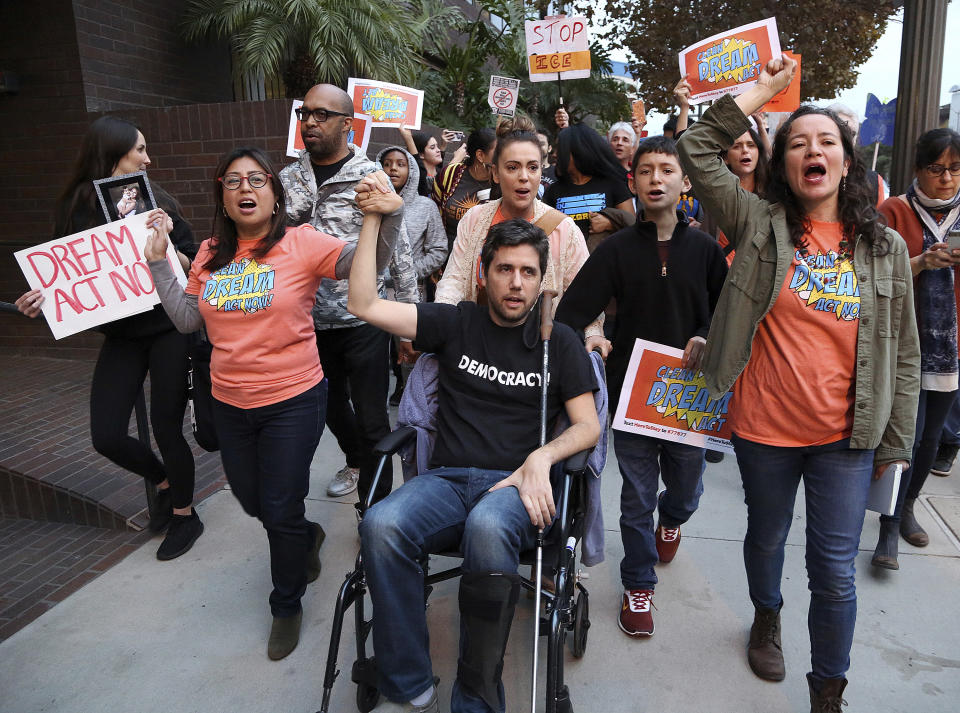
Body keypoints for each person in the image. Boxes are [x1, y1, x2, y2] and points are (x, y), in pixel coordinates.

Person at [677, 55, 919, 710]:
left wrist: (895, 443)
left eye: (827, 142)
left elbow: (904, 354)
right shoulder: (759, 223)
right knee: (765, 536)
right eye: (800, 143)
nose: (814, 150)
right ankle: (766, 614)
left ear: (847, 161)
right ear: (784, 163)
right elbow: (695, 149)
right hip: (765, 429)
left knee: (835, 574)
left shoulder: (885, 247)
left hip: (848, 436)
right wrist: (763, 91)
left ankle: (827, 693)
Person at [347, 174, 601, 712]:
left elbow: (587, 426)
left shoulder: (560, 344)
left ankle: (477, 695)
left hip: (514, 488)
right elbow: (364, 303)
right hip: (445, 480)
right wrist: (373, 218)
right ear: (483, 275)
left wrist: (542, 456)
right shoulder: (456, 323)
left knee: (488, 526)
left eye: (528, 272)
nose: (515, 282)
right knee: (381, 523)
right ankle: (409, 677)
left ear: (542, 281)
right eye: (504, 269)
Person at [145, 146, 400, 661]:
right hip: (230, 403)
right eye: (233, 180)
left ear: (275, 193)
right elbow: (188, 319)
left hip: (294, 399)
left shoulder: (302, 243)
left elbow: (364, 268)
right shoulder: (211, 253)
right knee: (253, 501)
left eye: (257, 179)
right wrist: (158, 264)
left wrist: (383, 218)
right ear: (221, 193)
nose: (245, 188)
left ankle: (286, 603)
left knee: (279, 505)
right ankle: (305, 536)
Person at [556, 136, 727, 637]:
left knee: (687, 489)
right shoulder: (615, 252)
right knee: (636, 497)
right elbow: (572, 311)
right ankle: (639, 584)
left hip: (689, 396)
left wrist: (705, 334)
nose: (656, 179)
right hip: (632, 393)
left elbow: (728, 310)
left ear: (685, 182)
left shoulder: (705, 250)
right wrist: (583, 341)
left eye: (666, 170)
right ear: (633, 182)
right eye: (646, 171)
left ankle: (673, 520)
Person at [16, 116, 201, 562]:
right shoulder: (76, 209)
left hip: (168, 329)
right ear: (113, 152)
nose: (148, 158)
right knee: (107, 434)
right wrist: (41, 298)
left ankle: (184, 514)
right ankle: (163, 482)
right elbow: (65, 273)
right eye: (139, 149)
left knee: (165, 426)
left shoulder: (159, 202)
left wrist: (170, 243)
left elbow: (196, 262)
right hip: (123, 335)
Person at [281, 83, 417, 503]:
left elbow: (400, 254)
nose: (310, 122)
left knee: (375, 420)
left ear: (347, 123)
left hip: (363, 319)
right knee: (329, 410)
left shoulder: (371, 178)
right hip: (306, 321)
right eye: (305, 114)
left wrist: (410, 324)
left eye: (322, 114)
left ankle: (374, 512)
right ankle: (355, 458)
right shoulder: (286, 179)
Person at [435, 117, 607, 353]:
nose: (524, 176)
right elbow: (454, 280)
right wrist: (441, 321)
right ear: (495, 173)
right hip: (477, 347)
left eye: (533, 167)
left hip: (538, 352)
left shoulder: (564, 229)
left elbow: (587, 294)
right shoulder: (475, 219)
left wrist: (594, 333)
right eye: (513, 167)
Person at [871, 127, 960, 570]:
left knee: (931, 438)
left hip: (951, 350)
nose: (946, 178)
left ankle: (908, 507)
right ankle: (888, 524)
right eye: (936, 169)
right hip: (902, 344)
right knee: (901, 434)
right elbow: (870, 275)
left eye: (956, 169)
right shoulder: (893, 211)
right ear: (917, 170)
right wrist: (923, 262)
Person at [378, 145, 448, 402]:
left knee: (410, 352)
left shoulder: (425, 207)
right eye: (386, 163)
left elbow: (439, 250)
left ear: (411, 170)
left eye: (400, 163)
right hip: (372, 294)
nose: (393, 168)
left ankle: (413, 402)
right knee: (377, 356)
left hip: (410, 293)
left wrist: (406, 273)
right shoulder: (367, 205)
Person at [543, 123, 635, 252]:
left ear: (577, 151)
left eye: (560, 148)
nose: (554, 154)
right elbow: (543, 236)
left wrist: (611, 224)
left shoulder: (614, 185)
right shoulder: (552, 192)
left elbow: (634, 227)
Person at [433, 128, 497, 252]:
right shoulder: (450, 174)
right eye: (498, 152)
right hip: (446, 256)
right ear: (480, 155)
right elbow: (434, 214)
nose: (503, 156)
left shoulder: (502, 182)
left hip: (483, 259)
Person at [828, 103, 889, 208]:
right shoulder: (807, 174)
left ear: (855, 140)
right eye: (838, 130)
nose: (845, 137)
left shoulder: (873, 181)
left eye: (851, 133)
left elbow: (878, 222)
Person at [399, 125, 467, 195]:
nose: (438, 150)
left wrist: (443, 144)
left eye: (437, 146)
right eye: (432, 147)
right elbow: (439, 181)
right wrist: (456, 159)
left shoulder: (437, 170)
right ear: (421, 155)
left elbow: (440, 167)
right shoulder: (419, 177)